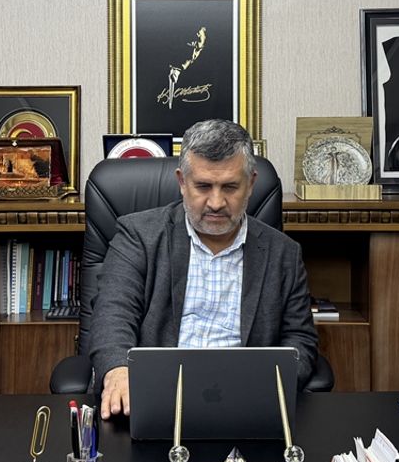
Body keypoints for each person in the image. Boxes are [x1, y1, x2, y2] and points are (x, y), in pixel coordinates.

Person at [89, 119, 319, 419]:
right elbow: (112, 315)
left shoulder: (283, 253)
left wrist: (267, 388)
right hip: (154, 399)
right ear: (182, 182)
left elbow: (300, 340)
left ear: (251, 183)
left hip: (247, 404)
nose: (216, 202)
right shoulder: (138, 237)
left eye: (230, 187)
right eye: (203, 186)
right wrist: (119, 371)